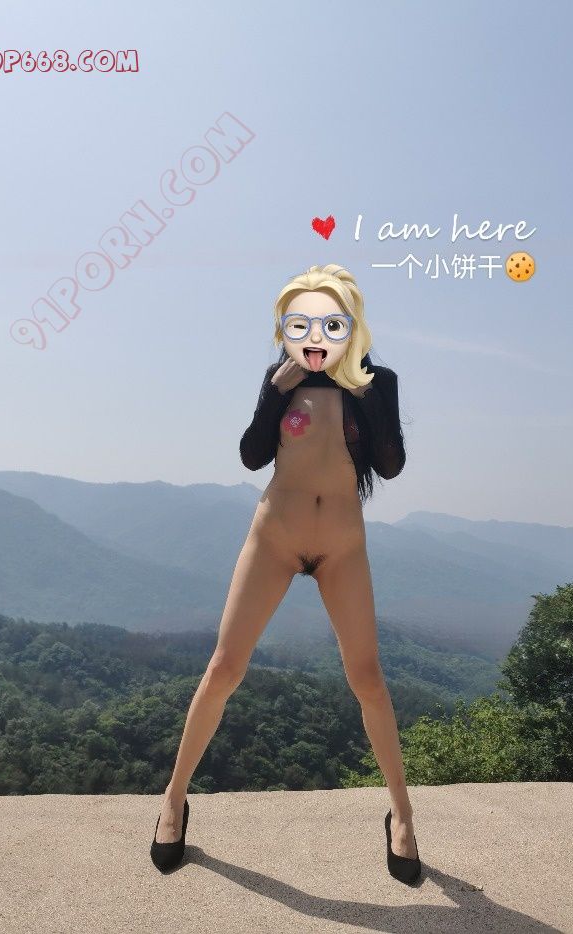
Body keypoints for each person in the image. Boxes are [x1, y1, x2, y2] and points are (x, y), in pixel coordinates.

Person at [151, 264, 421, 884]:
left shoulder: (378, 380)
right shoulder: (281, 376)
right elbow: (252, 455)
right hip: (274, 536)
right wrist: (276, 392)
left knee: (368, 678)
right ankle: (173, 801)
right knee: (224, 667)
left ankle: (403, 816)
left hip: (342, 545)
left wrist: (360, 392)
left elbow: (391, 464)